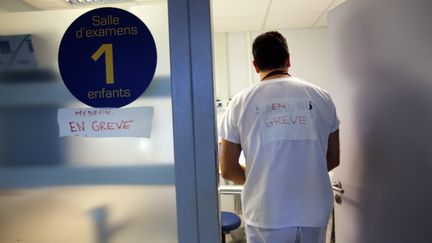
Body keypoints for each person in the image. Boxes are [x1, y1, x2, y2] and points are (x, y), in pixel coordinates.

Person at [218, 31, 340, 243]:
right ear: (288, 60)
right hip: (314, 211)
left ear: (255, 65)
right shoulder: (321, 96)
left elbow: (227, 168)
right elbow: (333, 157)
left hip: (266, 214)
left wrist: (262, 177)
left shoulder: (240, 103)